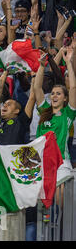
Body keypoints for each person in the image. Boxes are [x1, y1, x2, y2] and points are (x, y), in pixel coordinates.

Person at [34, 47, 76, 182]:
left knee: (60, 196)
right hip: (42, 161)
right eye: (52, 93)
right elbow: (37, 88)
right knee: (44, 201)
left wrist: (68, 63)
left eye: (58, 93)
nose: (54, 96)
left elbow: (74, 88)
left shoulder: (67, 114)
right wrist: (41, 66)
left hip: (61, 162)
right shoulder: (44, 111)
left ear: (65, 98)